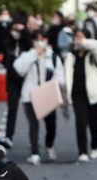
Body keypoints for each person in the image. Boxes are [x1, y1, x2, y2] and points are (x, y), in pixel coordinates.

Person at [13, 29, 65, 165]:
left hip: (48, 94)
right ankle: (35, 152)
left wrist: (57, 83)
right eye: (37, 39)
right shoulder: (28, 55)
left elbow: (60, 75)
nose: (40, 42)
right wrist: (34, 54)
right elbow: (19, 69)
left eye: (43, 39)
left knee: (51, 123)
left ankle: (49, 145)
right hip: (30, 95)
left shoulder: (53, 57)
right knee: (33, 125)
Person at [63, 30, 97, 163]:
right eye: (76, 38)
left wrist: (84, 42)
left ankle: (95, 146)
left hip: (94, 94)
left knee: (95, 123)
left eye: (81, 37)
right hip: (77, 94)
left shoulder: (94, 55)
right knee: (80, 122)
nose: (78, 40)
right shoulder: (70, 56)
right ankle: (82, 151)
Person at [0, 13, 33, 149]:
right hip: (12, 79)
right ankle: (9, 136)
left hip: (27, 78)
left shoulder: (27, 41)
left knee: (30, 110)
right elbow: (1, 48)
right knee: (12, 108)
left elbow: (31, 47)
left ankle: (33, 136)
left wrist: (24, 32)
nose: (16, 32)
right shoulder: (8, 40)